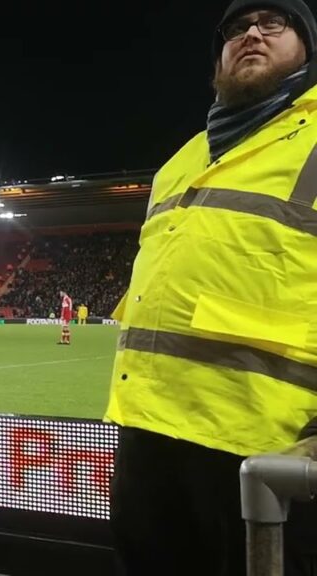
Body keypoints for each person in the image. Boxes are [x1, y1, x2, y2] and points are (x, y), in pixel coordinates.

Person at [108, 2, 317, 574]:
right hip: (147, 439)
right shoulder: (181, 161)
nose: (251, 32)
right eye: (236, 26)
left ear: (308, 46)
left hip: (266, 451)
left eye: (273, 22)